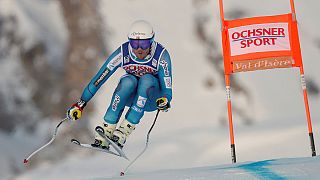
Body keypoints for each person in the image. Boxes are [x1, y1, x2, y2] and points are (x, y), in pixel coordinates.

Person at [67, 20, 172, 149]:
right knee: (127, 81)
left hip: (152, 98)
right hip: (132, 96)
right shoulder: (123, 53)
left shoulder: (161, 56)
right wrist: (81, 104)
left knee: (147, 79)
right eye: (134, 43)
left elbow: (167, 89)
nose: (139, 49)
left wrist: (165, 100)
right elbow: (99, 79)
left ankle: (124, 131)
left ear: (151, 41)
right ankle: (107, 130)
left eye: (144, 44)